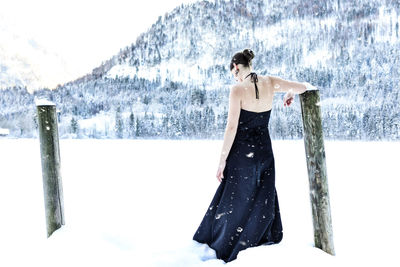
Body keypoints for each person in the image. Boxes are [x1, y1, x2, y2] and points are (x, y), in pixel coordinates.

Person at [192, 48, 315, 263]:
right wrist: (290, 92)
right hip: (264, 150)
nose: (235, 77)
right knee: (261, 194)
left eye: (234, 73)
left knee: (235, 198)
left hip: (241, 152)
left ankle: (226, 246)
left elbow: (231, 128)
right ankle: (257, 239)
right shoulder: (271, 82)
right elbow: (304, 87)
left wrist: (222, 160)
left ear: (237, 67)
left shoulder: (238, 89)